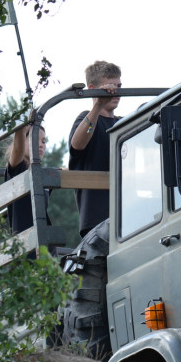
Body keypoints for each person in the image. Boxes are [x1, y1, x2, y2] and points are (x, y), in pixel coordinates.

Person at [70, 61, 122, 236]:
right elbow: (78, 144)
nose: (116, 93)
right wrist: (98, 105)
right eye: (109, 88)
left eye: (119, 87)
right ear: (92, 88)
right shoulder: (86, 120)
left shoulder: (124, 124)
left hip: (128, 214)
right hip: (97, 222)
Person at [4, 112, 52, 236]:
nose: (41, 145)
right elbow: (18, 149)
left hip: (45, 245)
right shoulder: (17, 169)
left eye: (44, 141)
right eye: (35, 138)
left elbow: (70, 171)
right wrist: (22, 126)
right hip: (26, 246)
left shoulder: (44, 174)